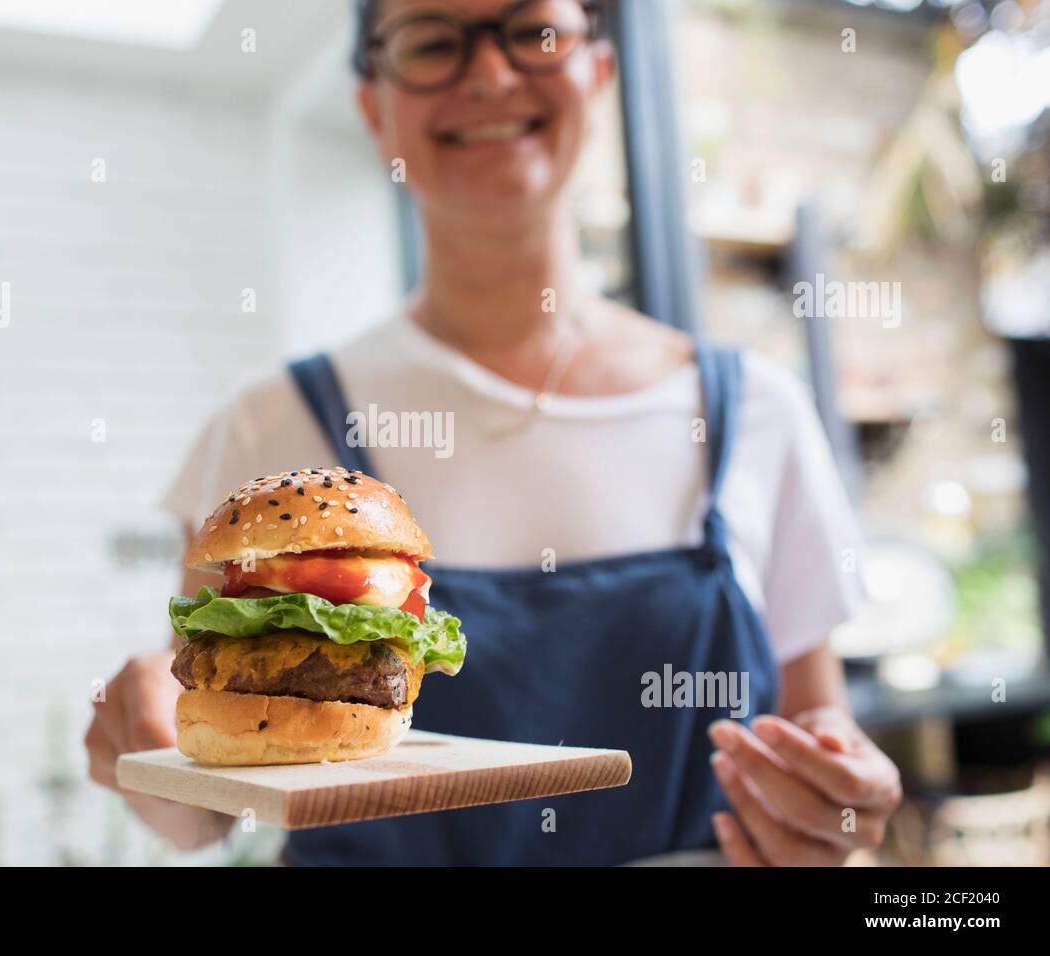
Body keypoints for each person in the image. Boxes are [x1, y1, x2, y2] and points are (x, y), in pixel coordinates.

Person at [85, 0, 901, 866]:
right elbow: (203, 802)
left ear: (600, 70)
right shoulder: (264, 420)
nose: (490, 74)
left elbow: (821, 729)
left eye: (534, 32)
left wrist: (840, 802)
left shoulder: (755, 410)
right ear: (374, 107)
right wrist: (138, 759)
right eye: (434, 41)